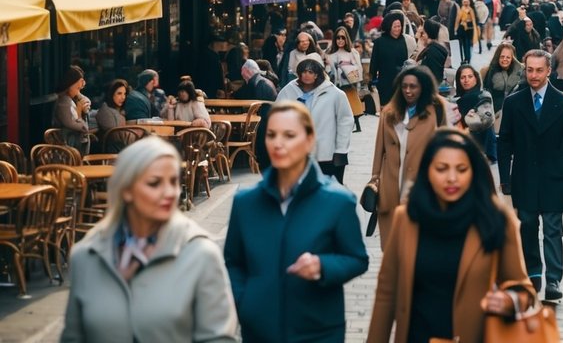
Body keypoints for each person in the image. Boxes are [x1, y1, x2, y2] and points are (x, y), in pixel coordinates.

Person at [62, 137, 238, 343]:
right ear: (126, 190)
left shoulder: (200, 254)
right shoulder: (86, 256)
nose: (169, 192)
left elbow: (219, 338)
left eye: (173, 181)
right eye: (155, 183)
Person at [367, 128, 536, 343]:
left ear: (473, 171)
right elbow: (386, 293)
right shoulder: (407, 218)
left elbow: (522, 287)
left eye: (462, 169)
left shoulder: (496, 218)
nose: (452, 178)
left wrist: (509, 301)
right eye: (442, 169)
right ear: (427, 170)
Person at [224, 102, 368, 343]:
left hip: (318, 330)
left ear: (310, 140)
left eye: (289, 135)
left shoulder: (337, 202)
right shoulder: (245, 203)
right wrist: (244, 301)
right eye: (271, 135)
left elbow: (357, 259)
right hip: (259, 330)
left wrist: (323, 266)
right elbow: (233, 262)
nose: (278, 143)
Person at [497, 49, 563, 303]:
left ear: (549, 71)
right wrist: (505, 179)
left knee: (552, 228)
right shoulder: (514, 102)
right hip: (524, 176)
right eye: (529, 70)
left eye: (539, 70)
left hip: (555, 177)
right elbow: (505, 144)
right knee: (526, 225)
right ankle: (534, 272)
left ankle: (554, 279)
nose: (534, 75)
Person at [368, 66, 446, 247]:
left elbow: (444, 147)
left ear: (423, 87)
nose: (408, 91)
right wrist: (375, 178)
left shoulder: (436, 109)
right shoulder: (388, 112)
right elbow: (379, 150)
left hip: (422, 185)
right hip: (391, 186)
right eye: (404, 86)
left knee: (418, 245)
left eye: (413, 86)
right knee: (392, 247)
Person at [276, 54, 354, 183]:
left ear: (317, 74)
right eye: (303, 72)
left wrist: (341, 149)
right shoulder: (289, 91)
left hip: (326, 153)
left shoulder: (335, 94)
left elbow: (345, 122)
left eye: (310, 72)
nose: (306, 75)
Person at [454, 65, 497, 163]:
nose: (466, 80)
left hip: (482, 148)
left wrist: (467, 120)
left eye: (470, 76)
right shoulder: (459, 99)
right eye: (463, 77)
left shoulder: (482, 96)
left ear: (476, 79)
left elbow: (486, 121)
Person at [369, 11, 408, 107]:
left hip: (400, 81)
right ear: (389, 26)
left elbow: (405, 61)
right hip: (385, 82)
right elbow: (374, 63)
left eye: (399, 26)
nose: (397, 29)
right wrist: (371, 80)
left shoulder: (402, 40)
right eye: (395, 26)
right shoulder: (379, 42)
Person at [53, 65, 91, 153]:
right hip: (67, 151)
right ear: (69, 84)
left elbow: (87, 101)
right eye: (77, 88)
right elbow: (83, 128)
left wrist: (79, 97)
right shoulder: (64, 102)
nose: (79, 91)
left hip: (72, 147)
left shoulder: (70, 98)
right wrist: (79, 111)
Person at [483, 42, 524, 112]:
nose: (505, 59)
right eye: (502, 56)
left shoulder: (520, 71)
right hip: (496, 110)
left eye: (508, 57)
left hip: (515, 109)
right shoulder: (490, 71)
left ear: (512, 59)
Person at [454, 0, 479, 66]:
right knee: (464, 44)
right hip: (462, 28)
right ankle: (465, 58)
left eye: (467, 1)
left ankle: (468, 58)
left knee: (468, 44)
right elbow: (457, 20)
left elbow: (474, 19)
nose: (465, 3)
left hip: (469, 29)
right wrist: (455, 29)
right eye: (464, 1)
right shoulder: (461, 9)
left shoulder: (471, 10)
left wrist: (475, 29)